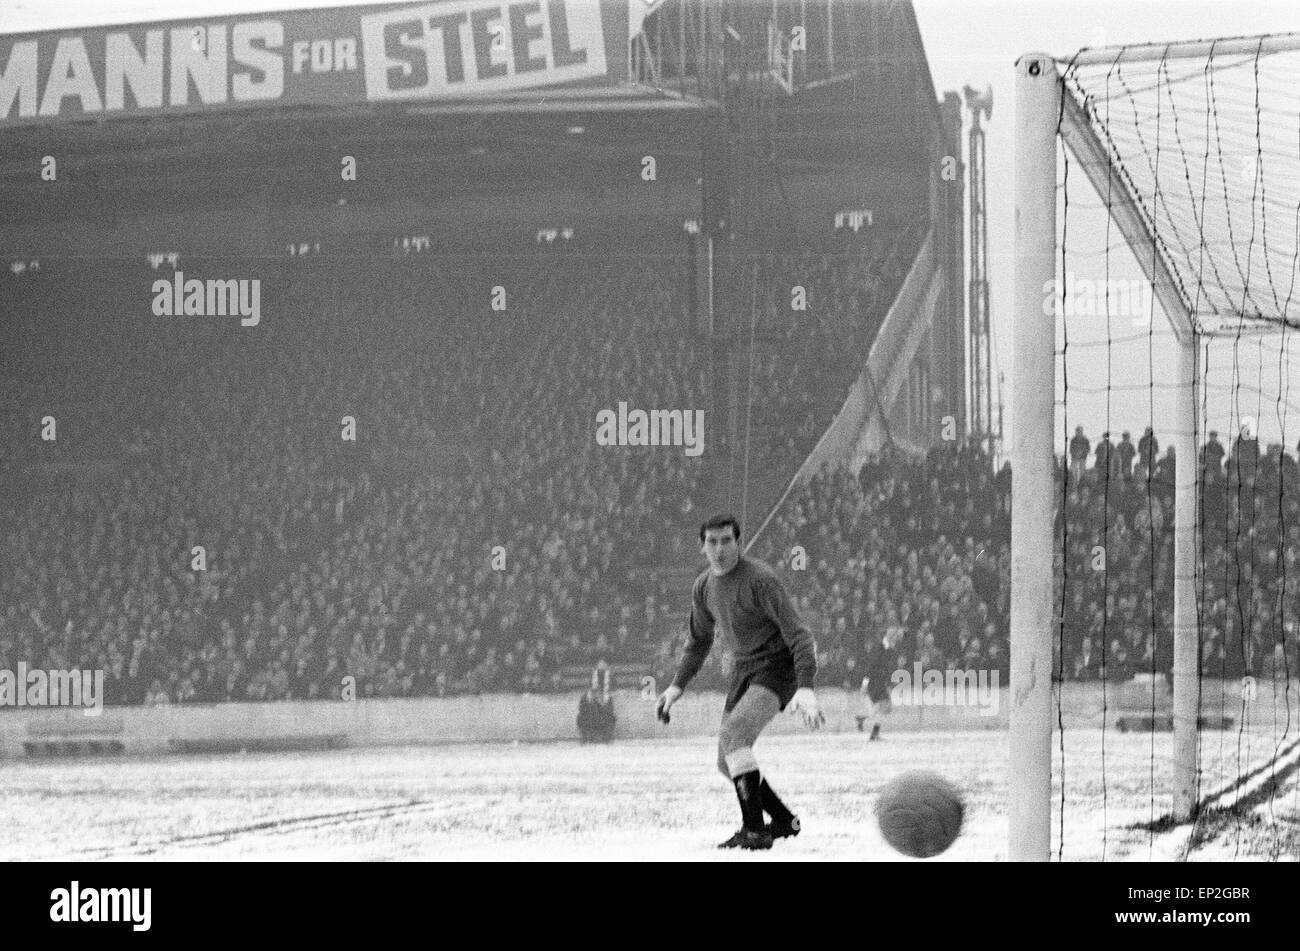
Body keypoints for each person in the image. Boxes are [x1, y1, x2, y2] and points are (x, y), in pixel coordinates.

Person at [655, 514, 823, 851]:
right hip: (744, 671)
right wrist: (677, 686)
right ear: (702, 546)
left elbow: (800, 635)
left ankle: (754, 830)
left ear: (738, 542)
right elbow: (698, 641)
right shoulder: (703, 587)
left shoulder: (760, 580)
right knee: (725, 761)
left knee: (735, 737)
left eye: (727, 540)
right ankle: (783, 820)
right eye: (712, 542)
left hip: (777, 668)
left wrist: (805, 687)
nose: (719, 549)